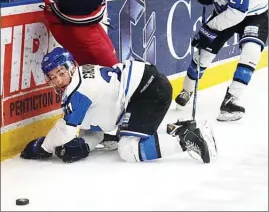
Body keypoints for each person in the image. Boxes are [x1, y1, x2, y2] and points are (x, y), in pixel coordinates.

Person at [20, 47, 217, 164]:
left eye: (60, 73)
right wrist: (85, 145)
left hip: (146, 92)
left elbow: (66, 130)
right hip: (145, 88)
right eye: (53, 77)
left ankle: (187, 140)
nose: (58, 80)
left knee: (128, 149)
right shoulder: (81, 75)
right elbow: (96, 127)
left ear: (71, 67)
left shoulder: (78, 91)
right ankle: (182, 128)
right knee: (122, 136)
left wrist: (44, 147)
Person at [175, 0, 268, 122]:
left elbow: (237, 14)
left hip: (253, 12)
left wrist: (207, 28)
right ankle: (187, 90)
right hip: (225, 10)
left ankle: (232, 100)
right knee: (203, 52)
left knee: (251, 51)